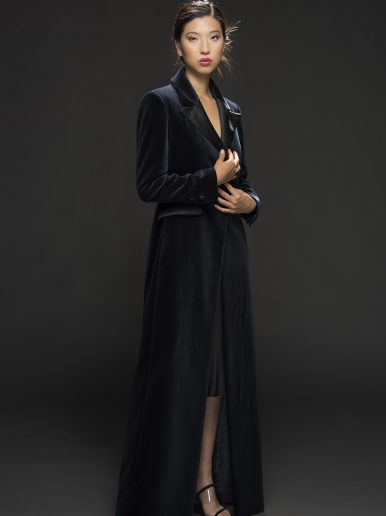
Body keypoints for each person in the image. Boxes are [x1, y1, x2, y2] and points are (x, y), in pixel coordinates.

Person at [115, 1, 264, 515]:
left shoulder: (233, 110)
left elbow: (245, 181)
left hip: (229, 250)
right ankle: (162, 492)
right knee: (180, 367)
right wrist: (208, 181)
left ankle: (205, 483)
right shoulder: (159, 103)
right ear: (178, 45)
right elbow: (149, 184)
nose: (204, 48)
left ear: (225, 43)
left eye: (214, 37)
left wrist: (251, 204)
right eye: (193, 38)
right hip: (183, 256)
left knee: (219, 369)